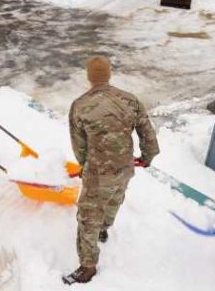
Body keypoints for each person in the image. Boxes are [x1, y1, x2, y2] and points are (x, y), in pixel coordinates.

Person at [62, 55, 160, 285]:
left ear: (89, 77)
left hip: (98, 172)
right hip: (125, 167)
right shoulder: (130, 100)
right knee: (114, 199)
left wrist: (86, 165)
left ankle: (87, 267)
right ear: (109, 74)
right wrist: (147, 157)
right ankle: (104, 230)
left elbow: (79, 145)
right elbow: (148, 135)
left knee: (87, 218)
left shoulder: (80, 105)